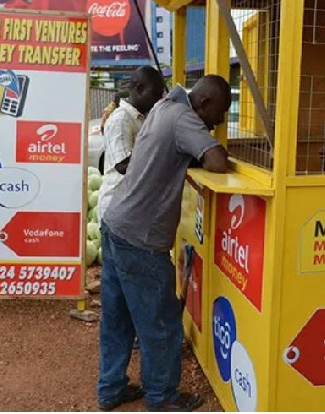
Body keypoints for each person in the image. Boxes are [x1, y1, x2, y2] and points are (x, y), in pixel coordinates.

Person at [97, 75, 230, 412]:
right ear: (203, 103)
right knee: (161, 323)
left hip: (115, 225)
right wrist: (209, 150)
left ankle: (111, 388)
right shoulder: (184, 117)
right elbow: (216, 161)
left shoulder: (162, 108)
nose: (220, 121)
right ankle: (162, 398)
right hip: (140, 239)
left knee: (117, 318)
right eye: (220, 111)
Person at [98, 67, 165, 221]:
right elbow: (123, 166)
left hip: (129, 207)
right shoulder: (121, 119)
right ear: (140, 89)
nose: (158, 100)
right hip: (117, 207)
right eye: (155, 94)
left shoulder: (141, 118)